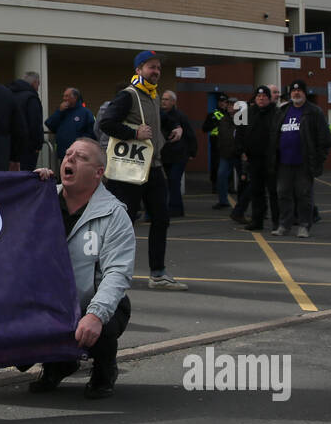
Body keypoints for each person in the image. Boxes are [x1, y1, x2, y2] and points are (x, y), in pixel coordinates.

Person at [29, 138, 135, 398]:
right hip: (50, 302)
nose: (70, 159)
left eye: (81, 157)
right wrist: (26, 187)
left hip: (89, 303)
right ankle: (60, 363)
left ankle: (104, 367)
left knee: (101, 324)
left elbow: (117, 273)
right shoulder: (41, 199)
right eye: (67, 154)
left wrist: (96, 315)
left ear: (99, 173)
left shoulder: (114, 214)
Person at [98, 50, 187, 290]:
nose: (156, 71)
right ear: (138, 70)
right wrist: (134, 133)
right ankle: (106, 271)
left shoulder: (152, 96)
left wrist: (176, 126)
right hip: (129, 170)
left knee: (161, 219)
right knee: (122, 222)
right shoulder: (128, 95)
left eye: (158, 67)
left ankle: (158, 274)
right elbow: (106, 123)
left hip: (153, 168)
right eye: (151, 67)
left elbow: (158, 118)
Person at [268, 80, 330, 238]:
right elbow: (274, 135)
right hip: (283, 163)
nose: (296, 94)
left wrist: (317, 160)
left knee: (304, 195)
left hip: (304, 163)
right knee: (283, 194)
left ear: (305, 93)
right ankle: (284, 225)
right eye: (293, 92)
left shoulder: (314, 112)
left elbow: (324, 139)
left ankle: (304, 225)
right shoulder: (283, 111)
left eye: (299, 91)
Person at [230, 86, 276, 231]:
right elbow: (239, 134)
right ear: (255, 98)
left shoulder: (277, 113)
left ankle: (277, 222)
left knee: (274, 192)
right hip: (254, 159)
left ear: (269, 98)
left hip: (271, 160)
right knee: (257, 192)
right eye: (258, 96)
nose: (261, 99)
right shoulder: (247, 113)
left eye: (264, 96)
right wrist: (241, 151)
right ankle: (257, 221)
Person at [159, 89, 197, 217]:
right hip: (165, 155)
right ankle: (175, 207)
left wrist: (192, 152)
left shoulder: (180, 116)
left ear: (173, 102)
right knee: (169, 182)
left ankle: (175, 209)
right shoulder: (159, 116)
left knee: (174, 180)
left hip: (179, 155)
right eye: (162, 99)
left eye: (166, 99)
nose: (163, 102)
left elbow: (190, 134)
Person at [45, 88, 95, 167]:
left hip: (78, 154)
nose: (64, 98)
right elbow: (49, 124)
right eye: (64, 96)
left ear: (75, 97)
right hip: (63, 152)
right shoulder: (62, 111)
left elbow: (91, 132)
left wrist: (81, 145)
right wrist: (59, 111)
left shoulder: (85, 113)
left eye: (67, 96)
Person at [203, 92, 236, 208]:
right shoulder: (217, 116)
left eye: (231, 104)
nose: (227, 105)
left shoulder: (241, 117)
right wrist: (213, 123)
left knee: (239, 176)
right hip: (221, 149)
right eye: (227, 103)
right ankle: (222, 198)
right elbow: (205, 128)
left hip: (237, 151)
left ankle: (236, 195)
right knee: (219, 173)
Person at [7, 71, 43, 171]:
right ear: (35, 83)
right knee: (25, 177)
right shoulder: (31, 98)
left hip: (9, 145)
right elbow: (35, 123)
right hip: (27, 147)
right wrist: (37, 145)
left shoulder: (8, 94)